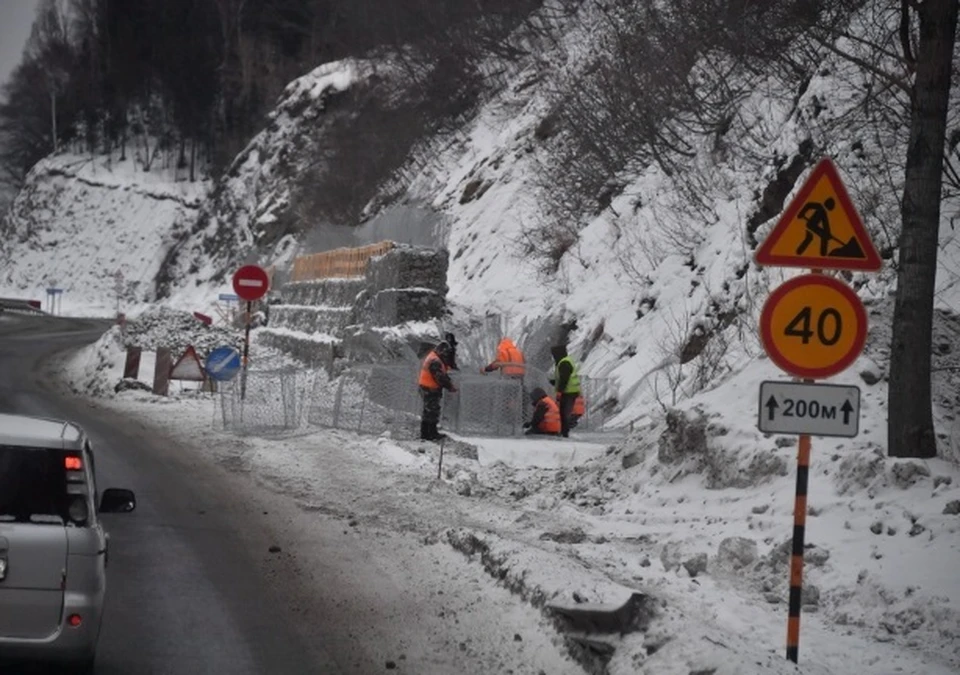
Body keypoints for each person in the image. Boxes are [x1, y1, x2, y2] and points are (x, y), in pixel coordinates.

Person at [418, 341, 457, 441]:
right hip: (430, 389)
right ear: (442, 351)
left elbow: (441, 374)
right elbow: (440, 377)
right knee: (432, 411)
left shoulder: (433, 357)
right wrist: (450, 386)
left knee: (428, 410)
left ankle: (425, 434)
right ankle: (431, 434)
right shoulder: (435, 361)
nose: (447, 355)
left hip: (426, 387)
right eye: (446, 353)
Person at [550, 344, 581, 438]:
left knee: (564, 412)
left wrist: (560, 390)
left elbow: (564, 378)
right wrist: (555, 382)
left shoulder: (564, 363)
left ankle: (564, 432)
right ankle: (564, 431)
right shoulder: (566, 361)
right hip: (571, 390)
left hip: (568, 391)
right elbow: (563, 377)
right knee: (564, 411)